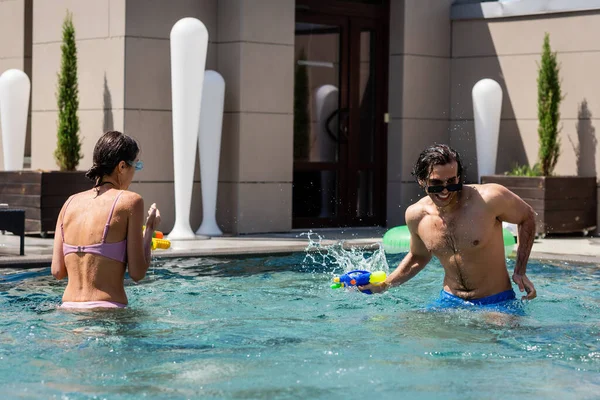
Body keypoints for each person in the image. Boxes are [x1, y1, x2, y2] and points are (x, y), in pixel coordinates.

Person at [360, 144, 537, 312]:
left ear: (458, 177)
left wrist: (520, 271)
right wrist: (384, 285)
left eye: (452, 182)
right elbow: (418, 256)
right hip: (449, 302)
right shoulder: (417, 216)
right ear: (422, 181)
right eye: (436, 183)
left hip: (497, 302)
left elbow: (527, 216)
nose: (445, 191)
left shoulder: (489, 199)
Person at [51, 130, 161, 309]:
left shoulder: (69, 203)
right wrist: (149, 229)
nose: (135, 172)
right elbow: (137, 273)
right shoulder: (130, 201)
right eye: (136, 166)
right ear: (122, 167)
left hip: (68, 312)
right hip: (109, 313)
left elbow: (57, 272)